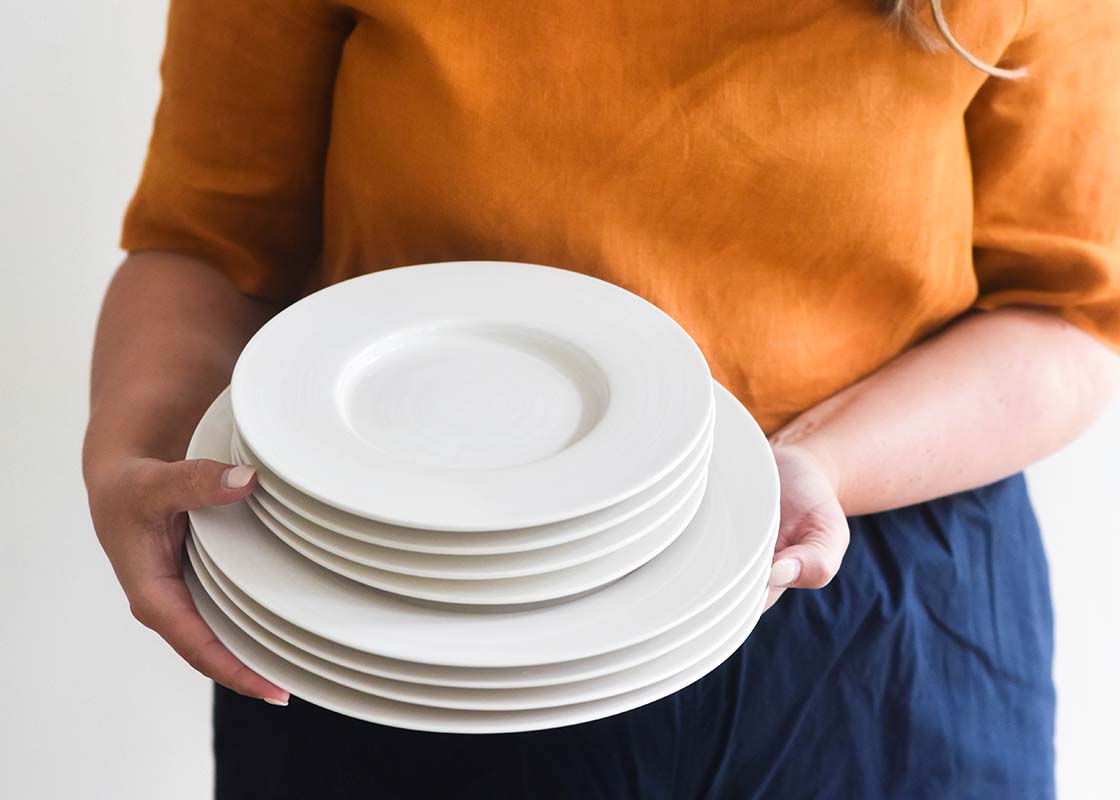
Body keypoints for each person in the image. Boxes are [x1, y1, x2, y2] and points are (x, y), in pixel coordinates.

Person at [83, 1, 1120, 797]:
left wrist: (816, 466)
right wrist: (129, 454)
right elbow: (206, 244)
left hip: (866, 604)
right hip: (398, 603)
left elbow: (1070, 313)